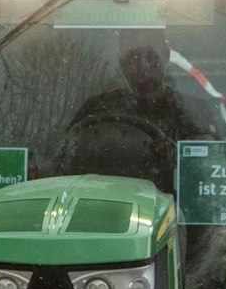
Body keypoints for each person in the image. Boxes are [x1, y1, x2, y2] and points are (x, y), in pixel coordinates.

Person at [62, 37, 212, 185]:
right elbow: (62, 158)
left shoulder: (194, 111)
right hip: (98, 197)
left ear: (165, 56)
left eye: (150, 56)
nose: (143, 65)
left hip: (174, 202)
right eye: (133, 58)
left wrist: (175, 159)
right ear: (122, 63)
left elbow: (210, 170)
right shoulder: (96, 107)